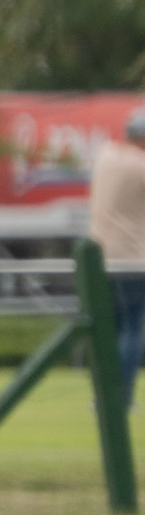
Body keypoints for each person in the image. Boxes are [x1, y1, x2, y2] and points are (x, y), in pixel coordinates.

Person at [89, 108, 145, 408]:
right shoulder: (140, 167)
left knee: (107, 329)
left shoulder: (105, 156)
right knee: (133, 328)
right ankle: (120, 397)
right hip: (133, 260)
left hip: (100, 258)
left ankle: (102, 396)